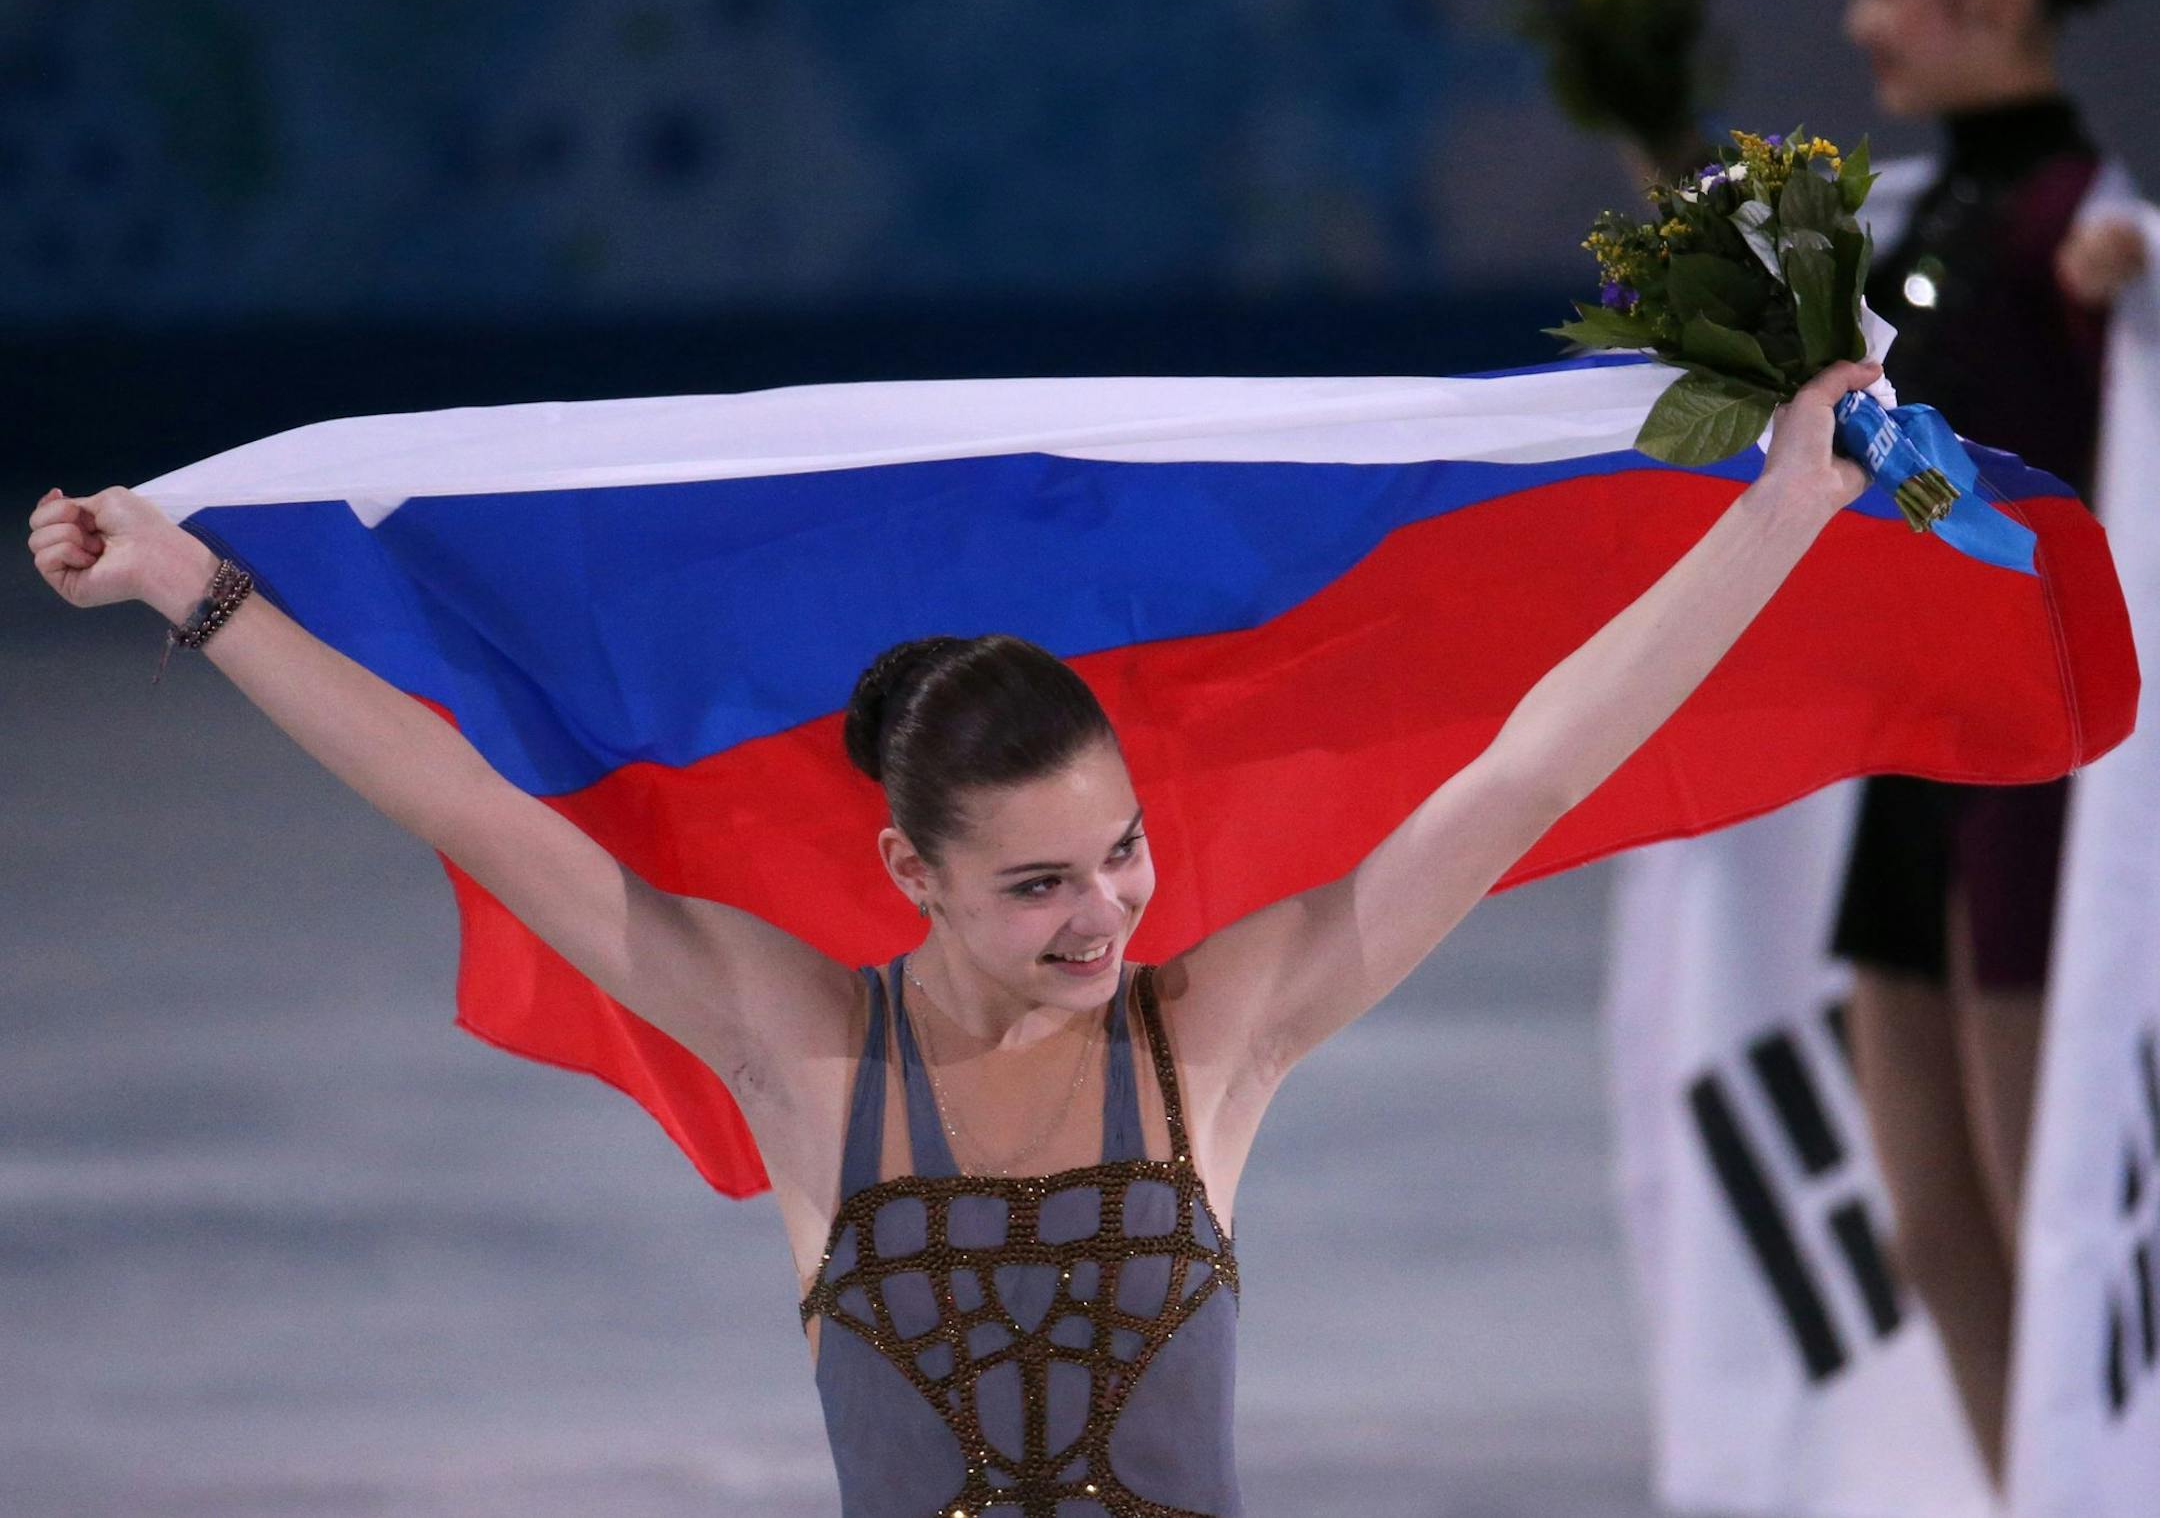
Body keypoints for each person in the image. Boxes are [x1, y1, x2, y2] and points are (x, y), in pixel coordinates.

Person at [27, 360, 1872, 1515]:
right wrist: (188, 588)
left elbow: (1528, 770)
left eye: (1123, 853)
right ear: (911, 876)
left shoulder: (1214, 1031)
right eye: (1041, 885)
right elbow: (469, 810)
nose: (1111, 914)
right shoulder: (793, 1042)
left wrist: (1786, 503)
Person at [1833, 0, 2143, 1486]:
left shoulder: (2073, 221)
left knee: (2066, 1244)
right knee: (1936, 1238)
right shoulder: (1932, 213)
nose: (1862, 24)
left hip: (2031, 790)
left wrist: (2130, 279)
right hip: (1914, 766)